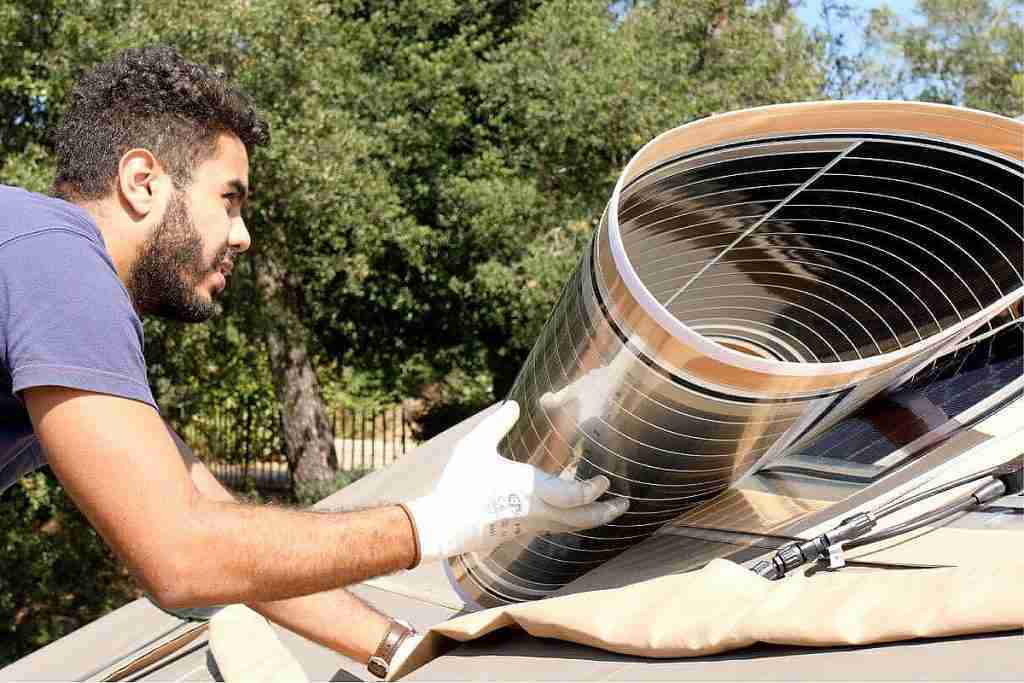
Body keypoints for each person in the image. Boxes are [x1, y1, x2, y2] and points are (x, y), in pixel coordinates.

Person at [0, 46, 628, 677]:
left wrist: (401, 650)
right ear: (143, 182)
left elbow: (214, 528)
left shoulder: (42, 277)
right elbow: (181, 556)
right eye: (230, 199)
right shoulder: (58, 262)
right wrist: (440, 522)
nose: (242, 234)